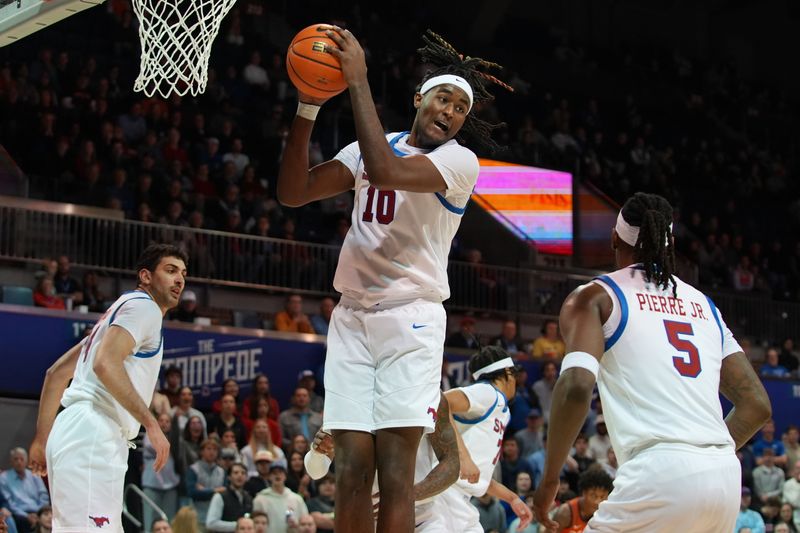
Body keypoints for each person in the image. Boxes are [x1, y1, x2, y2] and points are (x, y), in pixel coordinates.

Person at [277, 24, 510, 533]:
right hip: (353, 319)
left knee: (396, 473)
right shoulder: (367, 149)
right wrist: (308, 106)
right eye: (442, 100)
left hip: (413, 323)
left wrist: (357, 81)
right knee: (354, 468)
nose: (449, 113)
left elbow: (385, 171)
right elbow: (293, 192)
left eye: (460, 109)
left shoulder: (458, 161)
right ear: (419, 99)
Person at [531, 192, 772, 533]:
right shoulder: (704, 306)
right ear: (669, 243)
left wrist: (550, 479)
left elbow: (576, 387)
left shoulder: (596, 296)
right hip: (724, 477)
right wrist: (703, 461)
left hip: (659, 470)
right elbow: (757, 405)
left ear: (614, 237)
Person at [29, 244, 188, 532]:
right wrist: (151, 424)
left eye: (183, 274)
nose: (180, 279)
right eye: (170, 270)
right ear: (146, 276)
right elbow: (106, 364)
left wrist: (41, 441)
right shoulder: (145, 307)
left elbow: (55, 375)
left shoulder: (112, 320)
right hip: (93, 431)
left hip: (80, 429)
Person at [432, 347, 532, 532]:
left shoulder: (499, 408)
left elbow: (478, 476)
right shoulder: (488, 393)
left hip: (461, 501)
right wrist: (463, 457)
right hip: (443, 497)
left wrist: (512, 498)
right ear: (508, 373)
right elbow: (439, 401)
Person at [549, 469, 614, 532]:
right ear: (584, 493)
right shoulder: (566, 512)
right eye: (593, 496)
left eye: (602, 497)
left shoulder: (606, 512)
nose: (597, 501)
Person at [0, 449, 49, 533]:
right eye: (16, 459)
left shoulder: (34, 474)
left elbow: (43, 495)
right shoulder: (3, 478)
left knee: (49, 517)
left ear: (26, 461)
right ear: (11, 461)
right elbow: (8, 502)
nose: (19, 462)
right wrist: (26, 516)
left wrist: (39, 513)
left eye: (21, 459)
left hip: (39, 512)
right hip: (18, 514)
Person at [252, 465, 308, 533]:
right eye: (274, 473)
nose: (277, 475)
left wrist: (296, 525)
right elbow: (255, 524)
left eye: (280, 473)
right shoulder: (260, 499)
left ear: (285, 476)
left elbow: (306, 521)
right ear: (269, 477)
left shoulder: (296, 499)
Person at [206, 463, 253, 532]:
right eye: (236, 473)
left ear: (246, 477)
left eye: (243, 473)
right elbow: (211, 523)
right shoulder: (220, 497)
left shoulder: (248, 498)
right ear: (229, 477)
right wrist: (237, 525)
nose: (240, 475)